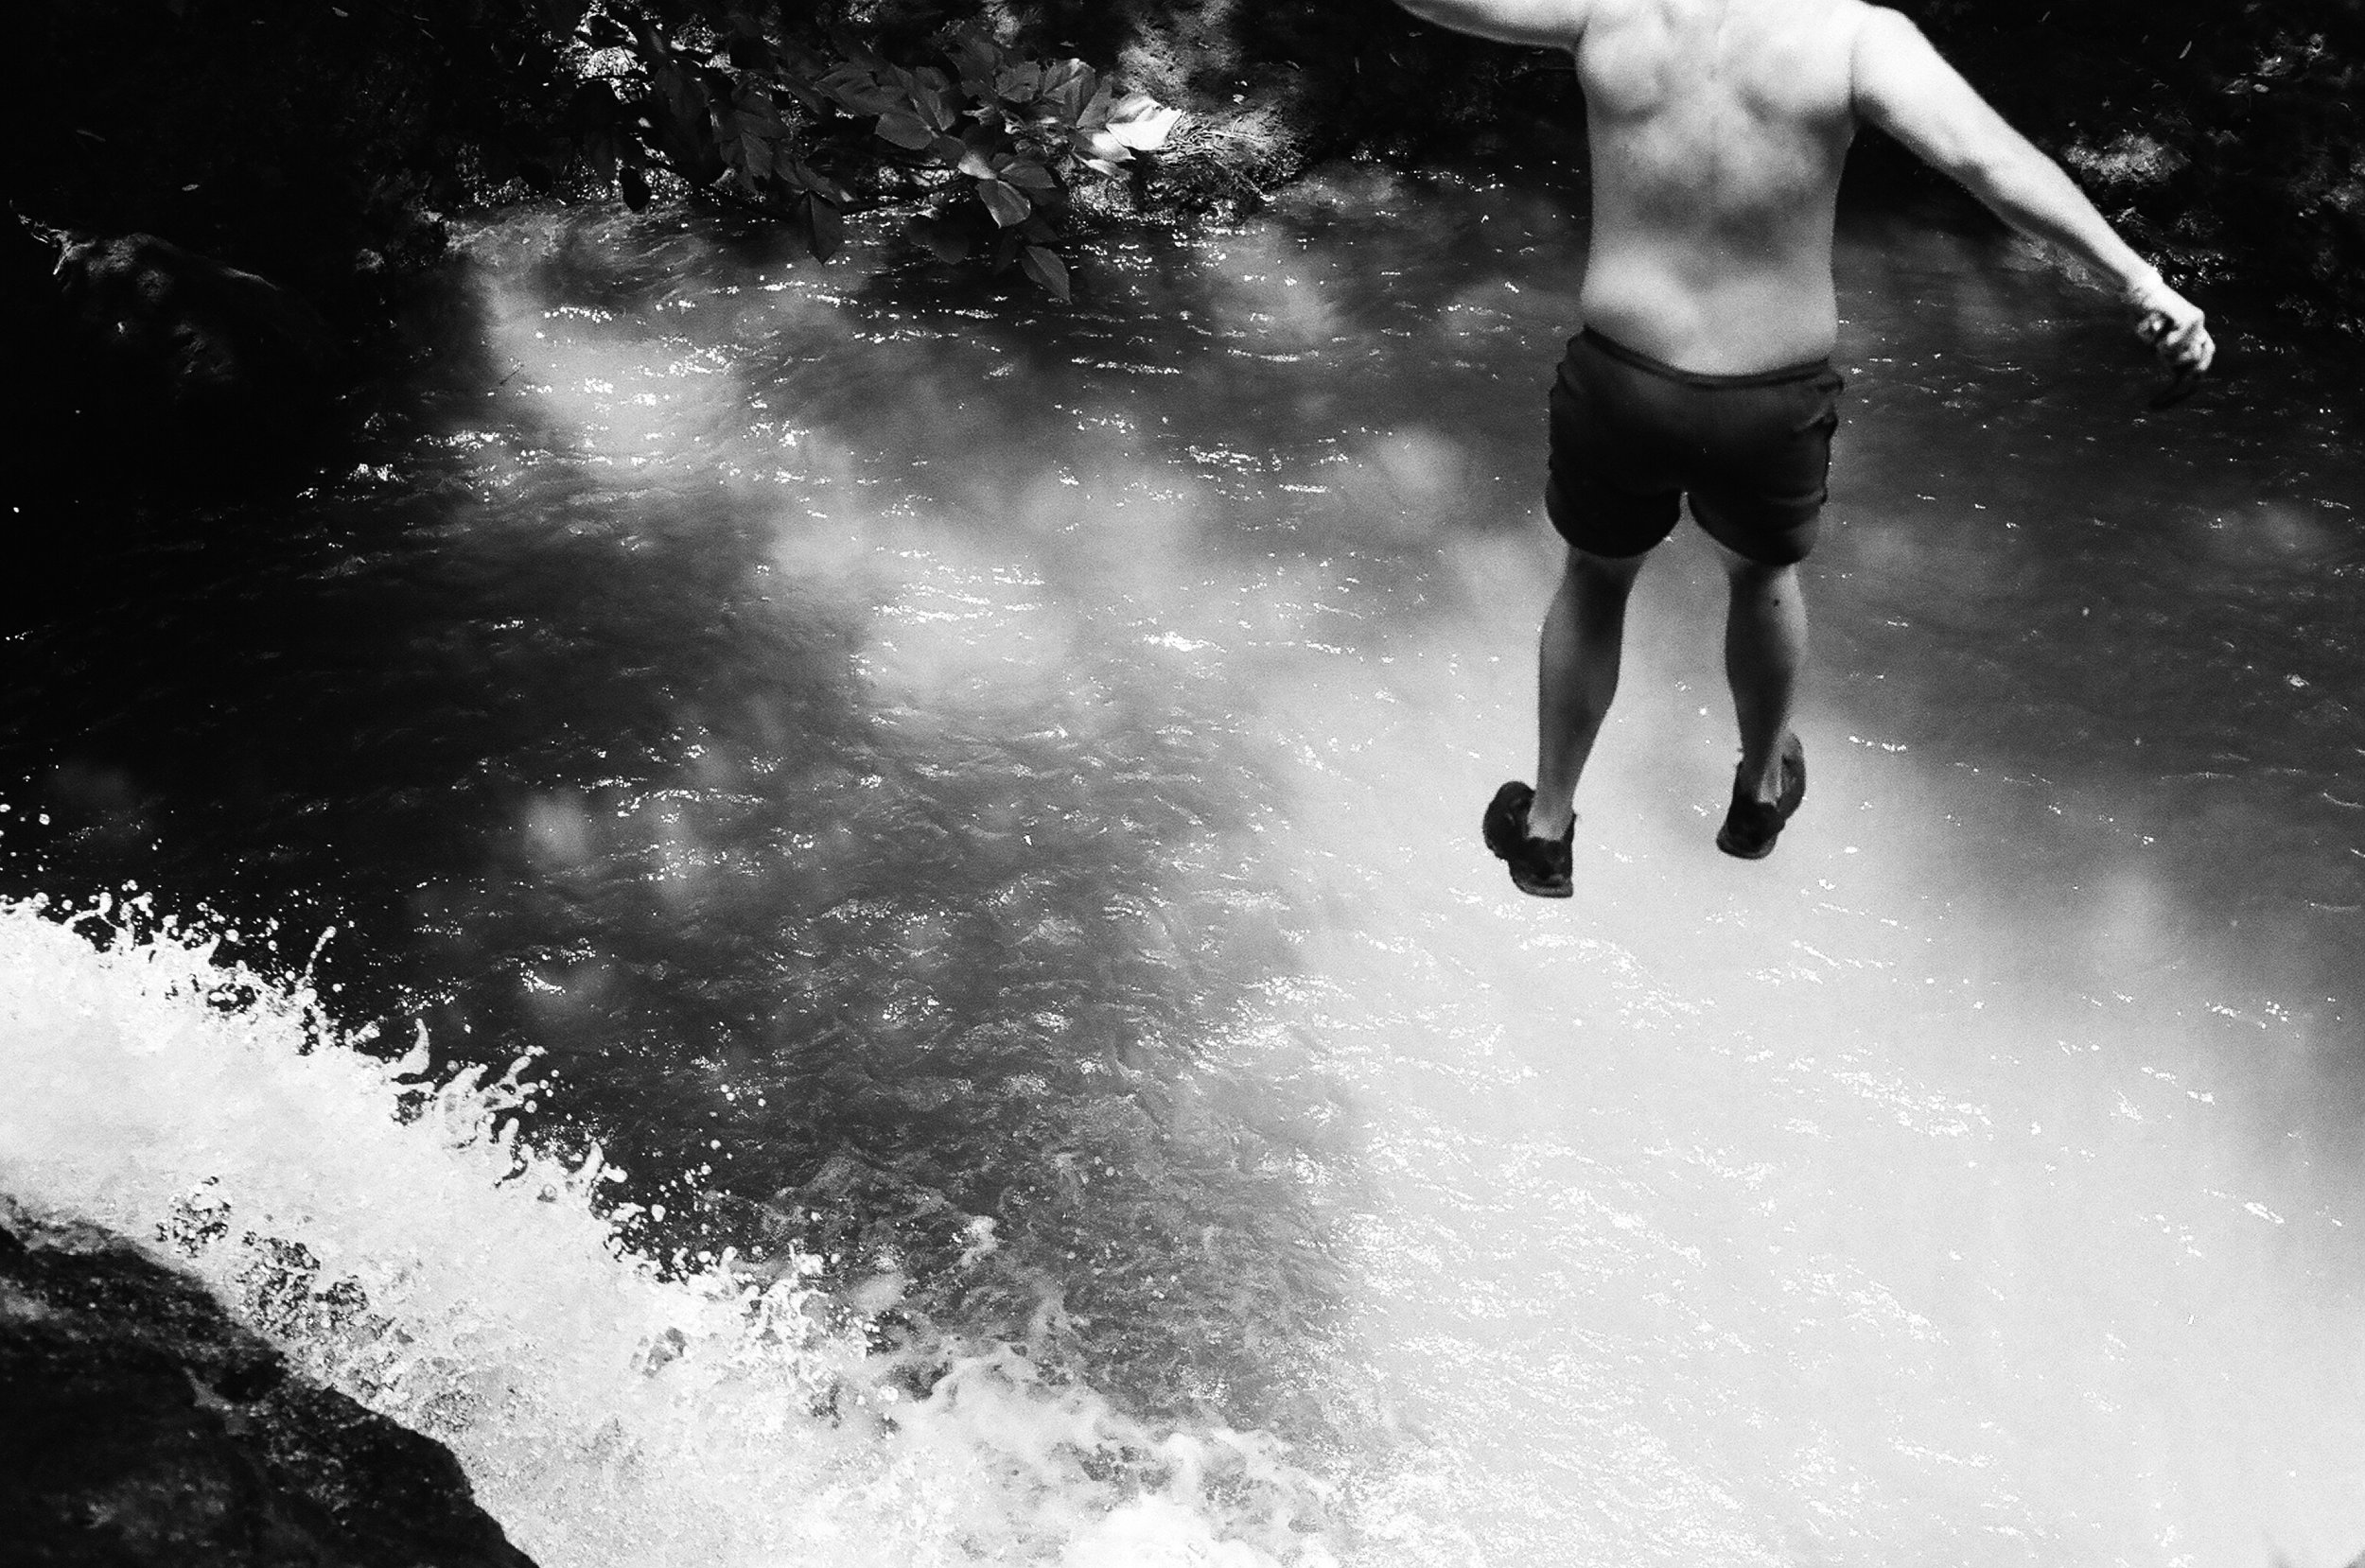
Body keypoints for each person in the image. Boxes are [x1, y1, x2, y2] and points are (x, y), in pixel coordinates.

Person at [1385, 0, 2216, 897]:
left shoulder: (1610, 9)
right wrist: (2138, 279)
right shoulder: (1852, 38)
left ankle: (1546, 826)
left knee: (1594, 576)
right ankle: (1758, 789)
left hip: (1626, 383)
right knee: (1761, 577)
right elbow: (1992, 161)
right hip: (1768, 400)